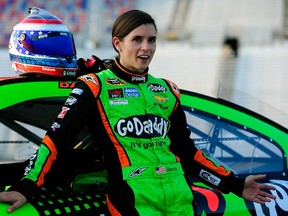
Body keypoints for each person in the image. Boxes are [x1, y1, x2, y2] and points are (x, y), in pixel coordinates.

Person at [0, 9, 276, 215]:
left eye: (152, 40)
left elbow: (187, 154)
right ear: (118, 43)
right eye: (137, 40)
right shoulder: (95, 86)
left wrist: (236, 185)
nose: (146, 48)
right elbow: (56, 140)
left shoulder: (167, 90)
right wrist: (27, 187)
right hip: (133, 204)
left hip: (181, 202)